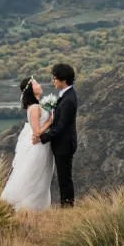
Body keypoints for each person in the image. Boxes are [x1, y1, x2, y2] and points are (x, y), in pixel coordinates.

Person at [0, 76, 56, 210]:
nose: (39, 84)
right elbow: (37, 133)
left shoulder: (36, 105)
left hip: (43, 147)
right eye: (36, 83)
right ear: (31, 89)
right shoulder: (35, 107)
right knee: (35, 178)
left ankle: (37, 208)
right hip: (39, 148)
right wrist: (50, 122)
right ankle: (29, 207)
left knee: (40, 178)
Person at [38, 62, 78, 207]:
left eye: (54, 78)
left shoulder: (69, 99)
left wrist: (44, 137)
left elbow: (62, 125)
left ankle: (67, 205)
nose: (52, 81)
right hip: (62, 143)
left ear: (63, 79)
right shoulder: (66, 95)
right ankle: (66, 204)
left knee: (64, 177)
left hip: (65, 144)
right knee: (63, 176)